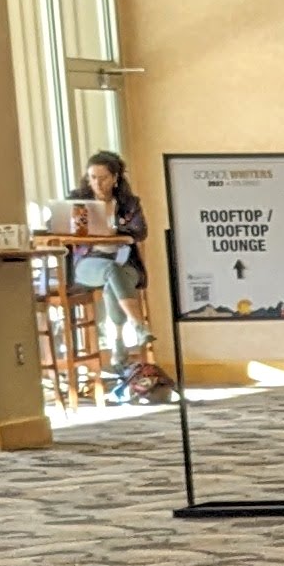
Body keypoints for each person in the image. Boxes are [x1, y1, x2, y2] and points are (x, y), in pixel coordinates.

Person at [77, 152, 166, 402]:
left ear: (115, 178)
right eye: (92, 178)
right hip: (88, 263)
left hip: (123, 261)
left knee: (113, 279)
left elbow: (139, 231)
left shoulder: (128, 203)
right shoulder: (77, 202)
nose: (97, 184)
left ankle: (117, 344)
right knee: (109, 272)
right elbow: (59, 228)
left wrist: (116, 230)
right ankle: (137, 326)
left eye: (103, 178)